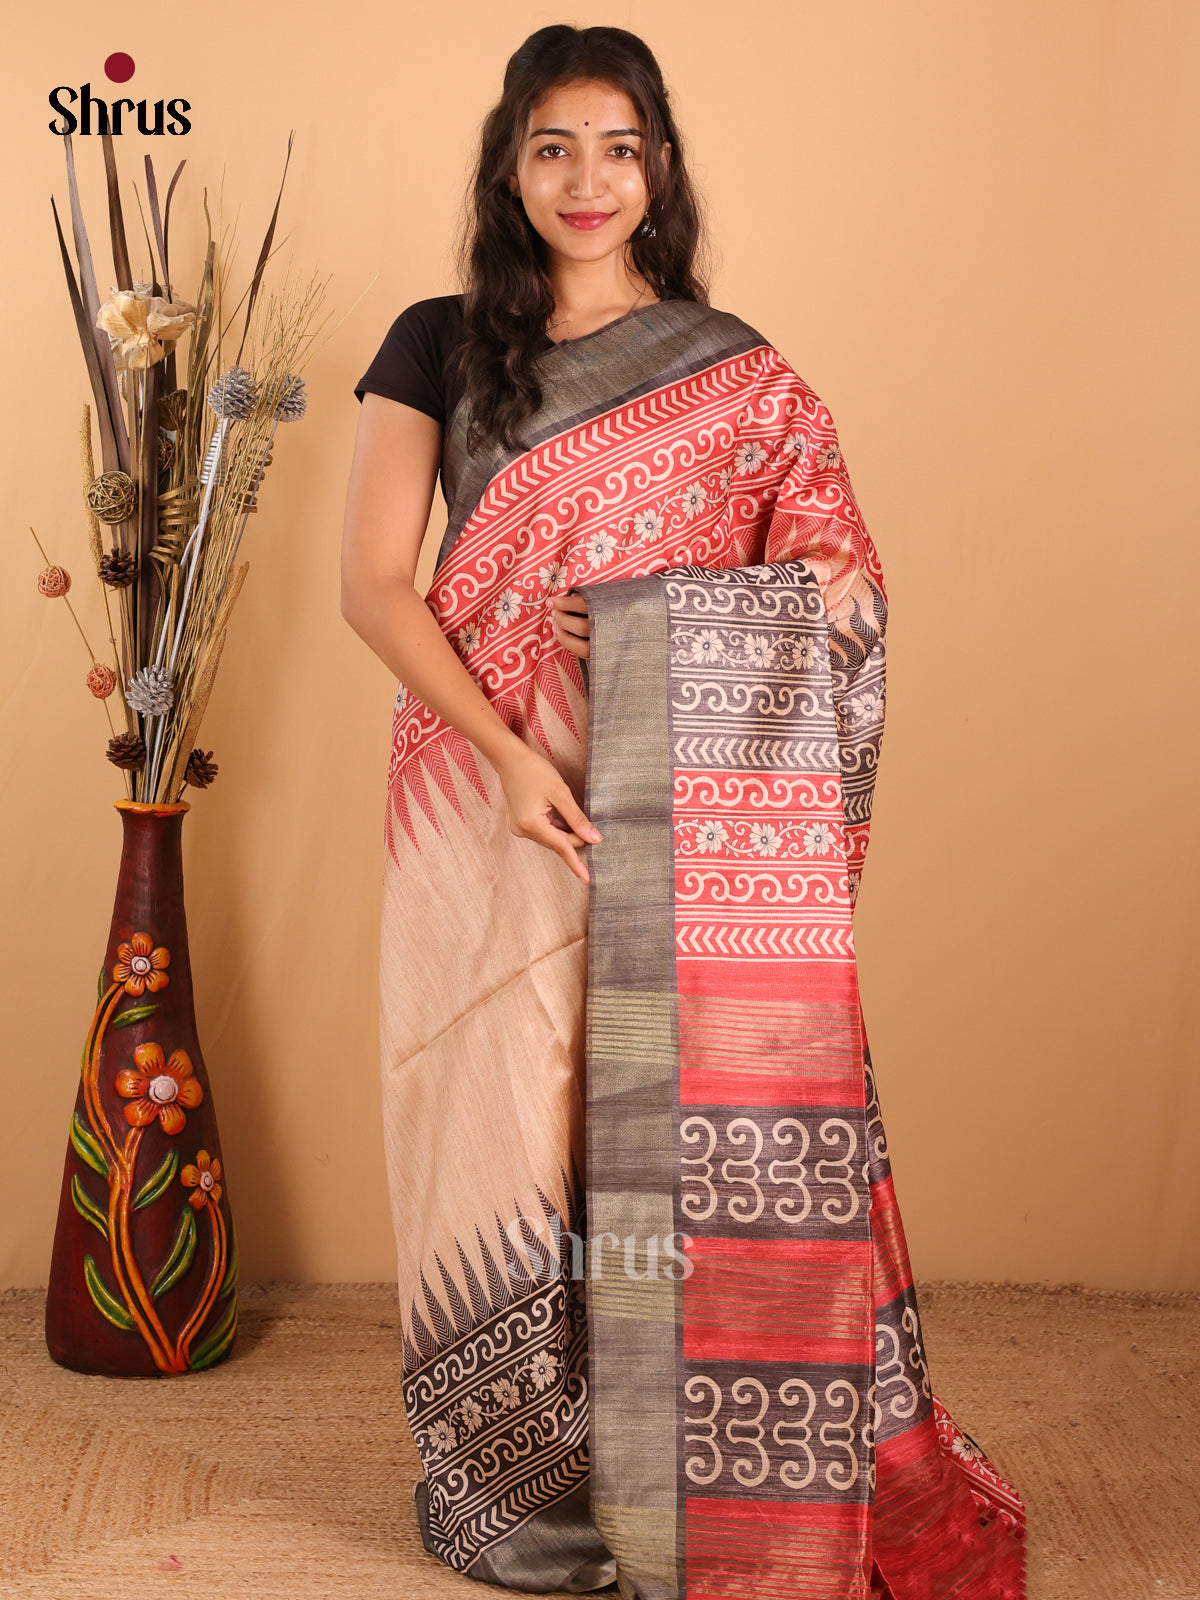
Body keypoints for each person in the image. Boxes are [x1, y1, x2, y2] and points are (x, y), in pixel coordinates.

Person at [342, 24, 1026, 1599]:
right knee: (496, 1134)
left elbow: (842, 593)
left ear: (659, 168)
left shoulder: (737, 373)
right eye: (553, 148)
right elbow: (374, 586)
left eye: (619, 147)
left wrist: (658, 623)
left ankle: (679, 1477)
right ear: (510, 169)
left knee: (655, 1134)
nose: (587, 181)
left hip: (683, 822)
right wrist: (509, 757)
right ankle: (521, 1489)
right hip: (485, 799)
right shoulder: (438, 343)